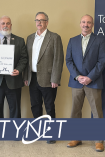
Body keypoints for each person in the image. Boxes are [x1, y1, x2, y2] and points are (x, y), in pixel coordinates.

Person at [66, 14, 105, 152]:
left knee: (96, 112)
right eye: (83, 22)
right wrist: (78, 76)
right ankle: (76, 138)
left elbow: (102, 61)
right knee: (75, 111)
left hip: (93, 82)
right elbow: (69, 61)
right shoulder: (72, 41)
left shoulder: (100, 40)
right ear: (80, 24)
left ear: (92, 25)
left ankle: (99, 141)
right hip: (76, 82)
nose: (86, 24)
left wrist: (89, 77)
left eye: (89, 22)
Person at [23, 12, 64, 144]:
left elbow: (58, 59)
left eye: (42, 20)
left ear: (47, 22)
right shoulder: (30, 38)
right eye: (37, 20)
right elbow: (27, 59)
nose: (39, 22)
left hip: (49, 78)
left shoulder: (54, 37)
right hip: (32, 77)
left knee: (49, 106)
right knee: (35, 106)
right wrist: (26, 76)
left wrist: (55, 79)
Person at [0, 16, 27, 118]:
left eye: (8, 23)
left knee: (15, 111)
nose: (5, 25)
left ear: (11, 25)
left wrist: (18, 69)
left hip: (14, 81)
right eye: (3, 23)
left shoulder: (20, 40)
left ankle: (14, 132)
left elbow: (24, 58)